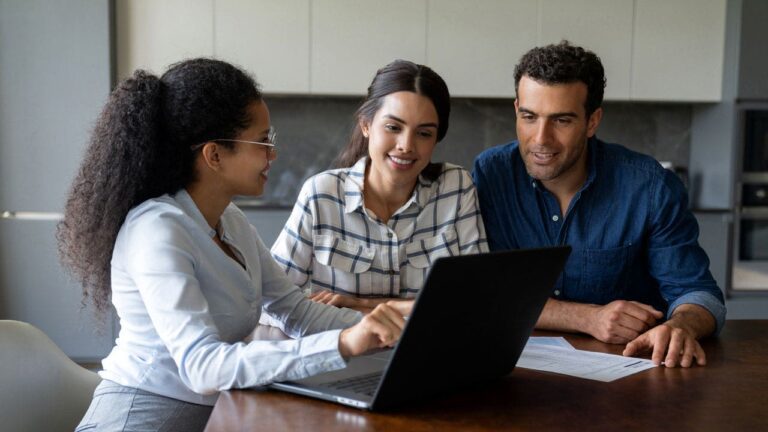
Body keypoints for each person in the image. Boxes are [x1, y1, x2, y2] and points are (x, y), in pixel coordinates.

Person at [57, 58, 408, 431]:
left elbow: (296, 311)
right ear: (214, 154)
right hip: (139, 420)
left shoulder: (230, 221)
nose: (273, 154)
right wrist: (343, 344)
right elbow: (202, 367)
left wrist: (384, 331)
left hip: (211, 418)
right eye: (262, 141)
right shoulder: (156, 230)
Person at [472, 41, 726, 369]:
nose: (541, 138)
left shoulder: (649, 186)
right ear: (516, 109)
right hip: (519, 375)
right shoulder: (492, 175)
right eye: (529, 117)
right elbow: (489, 292)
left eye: (561, 120)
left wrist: (680, 326)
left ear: (592, 121)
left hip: (632, 373)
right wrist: (587, 317)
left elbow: (699, 293)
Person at [270, 60, 488, 313]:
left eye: (424, 133)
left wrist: (362, 305)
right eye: (393, 127)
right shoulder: (322, 194)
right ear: (366, 125)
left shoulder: (456, 188)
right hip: (341, 349)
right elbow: (272, 300)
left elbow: (478, 299)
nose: (406, 145)